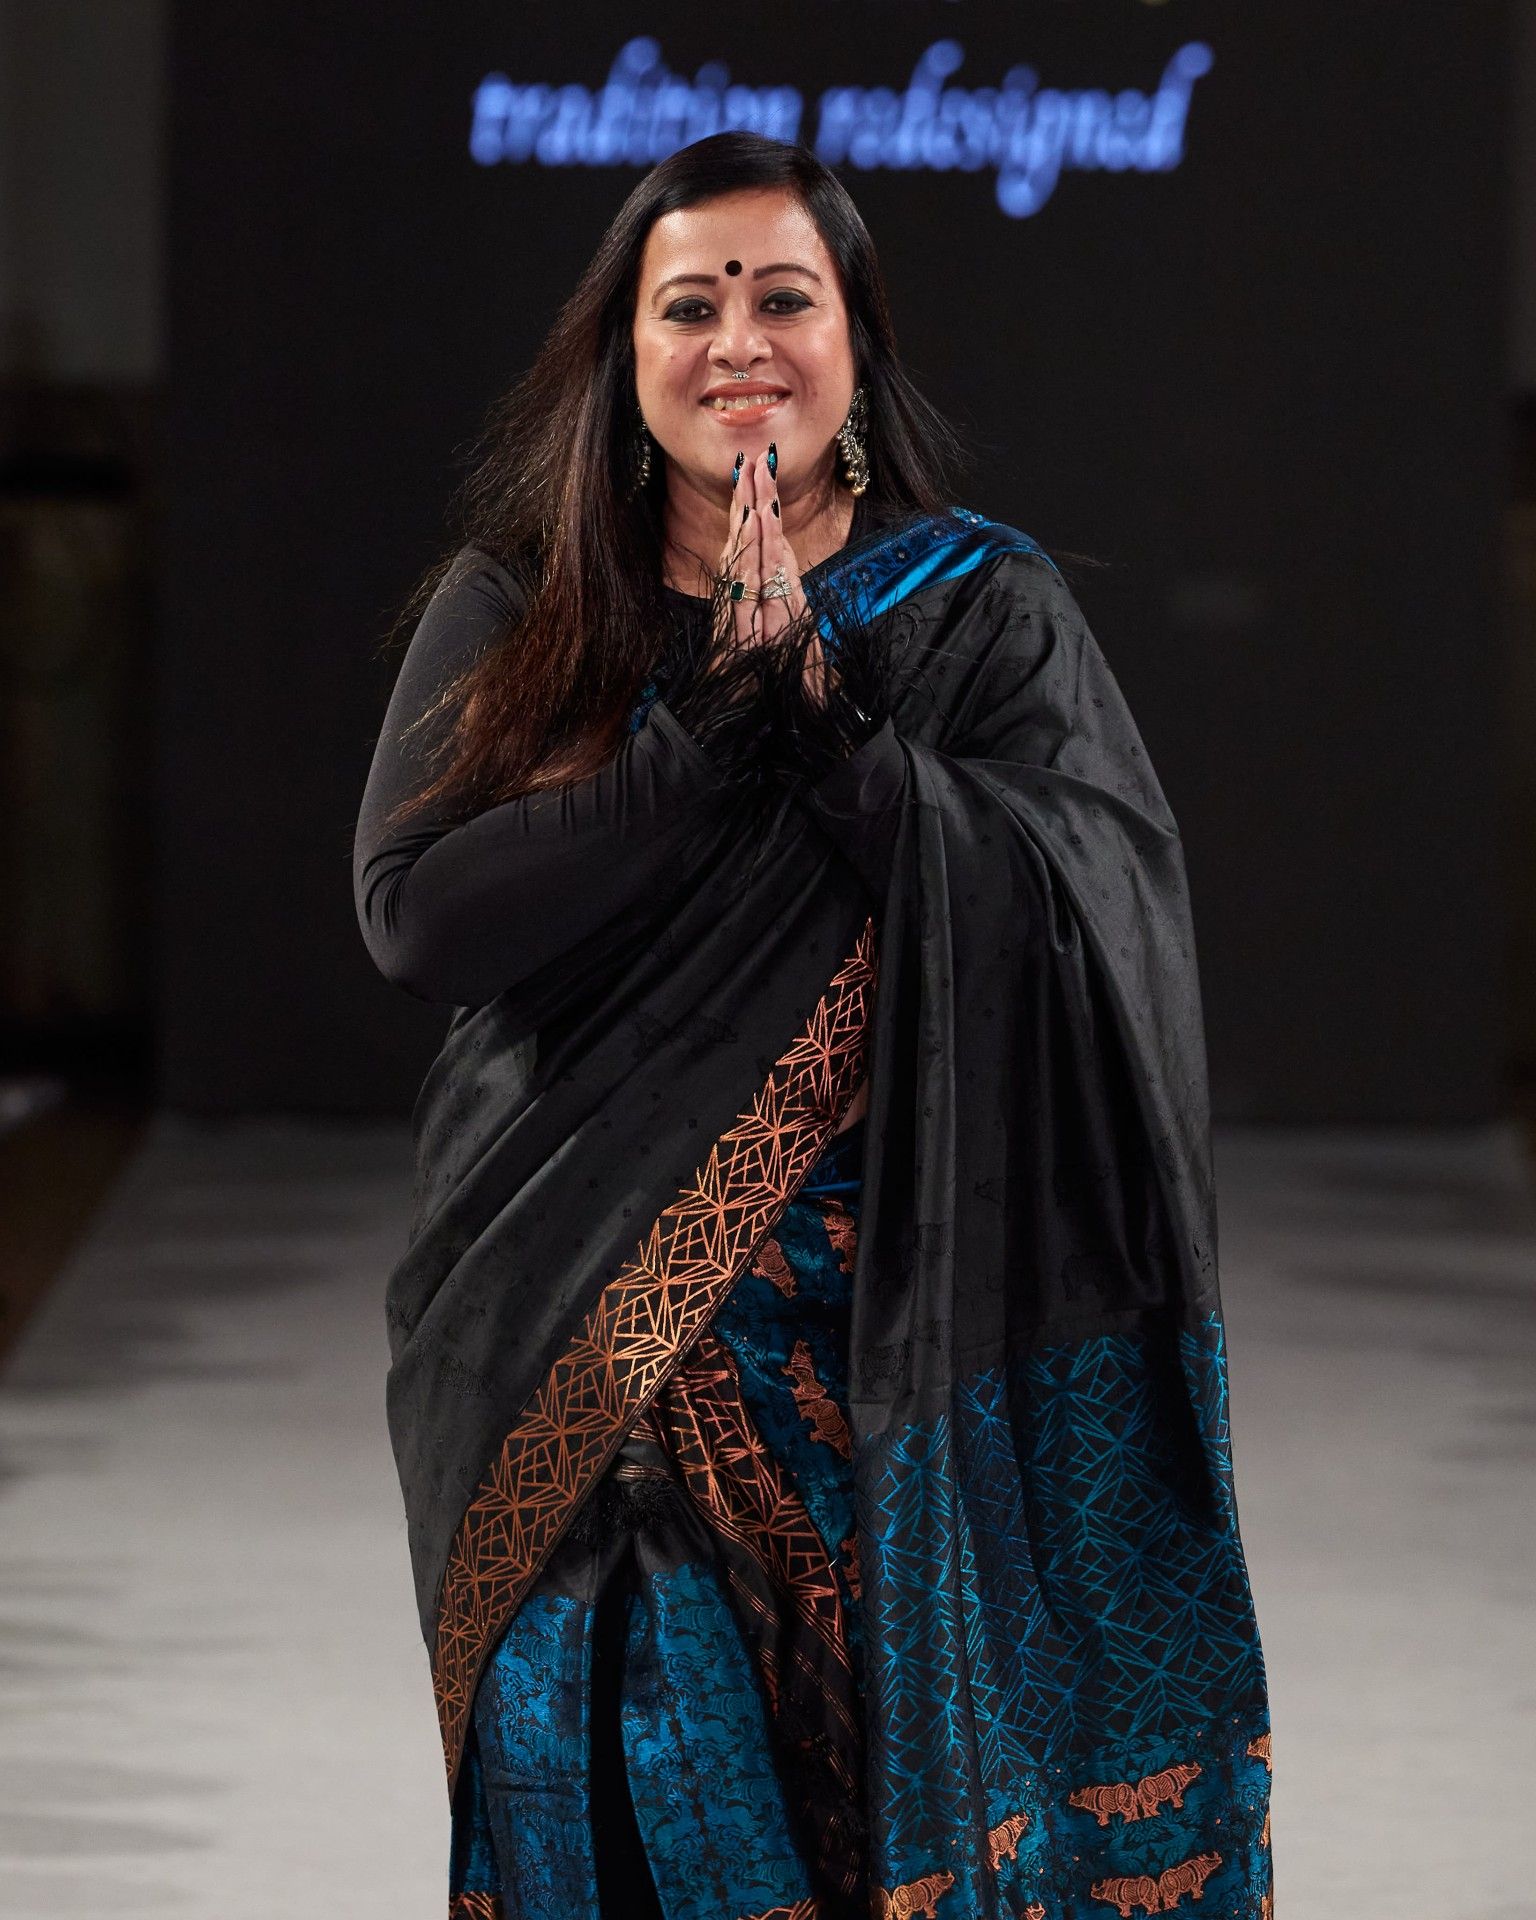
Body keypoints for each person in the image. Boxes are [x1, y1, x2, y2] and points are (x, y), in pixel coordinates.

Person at [351, 131, 1274, 1920]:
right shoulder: (524, 606)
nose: (739, 341)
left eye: (785, 297)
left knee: (868, 1822)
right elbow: (419, 921)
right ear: (624, 357)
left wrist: (853, 756)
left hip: (888, 1348)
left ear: (858, 343)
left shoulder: (980, 614)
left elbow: (1099, 912)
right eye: (687, 306)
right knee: (626, 1786)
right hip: (570, 1333)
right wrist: (696, 746)